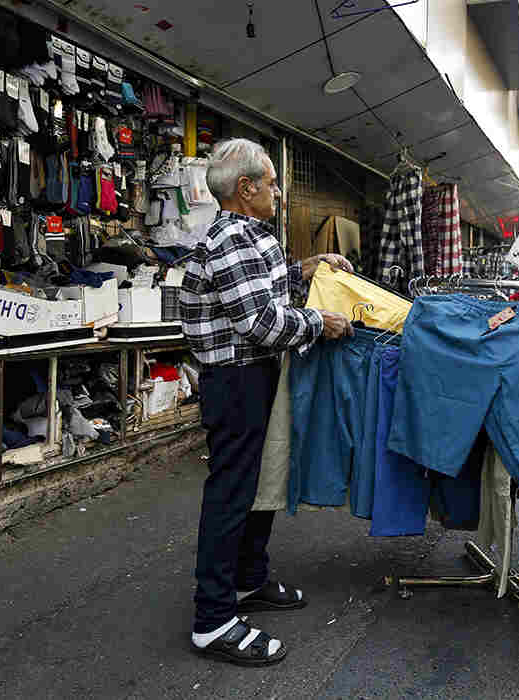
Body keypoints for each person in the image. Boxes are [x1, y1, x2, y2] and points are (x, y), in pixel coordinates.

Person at [180, 138, 354, 667]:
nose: (278, 192)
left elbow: (262, 288)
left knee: (259, 485)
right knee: (232, 493)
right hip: (236, 381)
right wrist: (319, 322)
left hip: (253, 375)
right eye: (272, 183)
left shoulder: (248, 235)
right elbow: (260, 322)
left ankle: (247, 580)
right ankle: (213, 620)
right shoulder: (230, 238)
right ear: (245, 188)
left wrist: (307, 267)